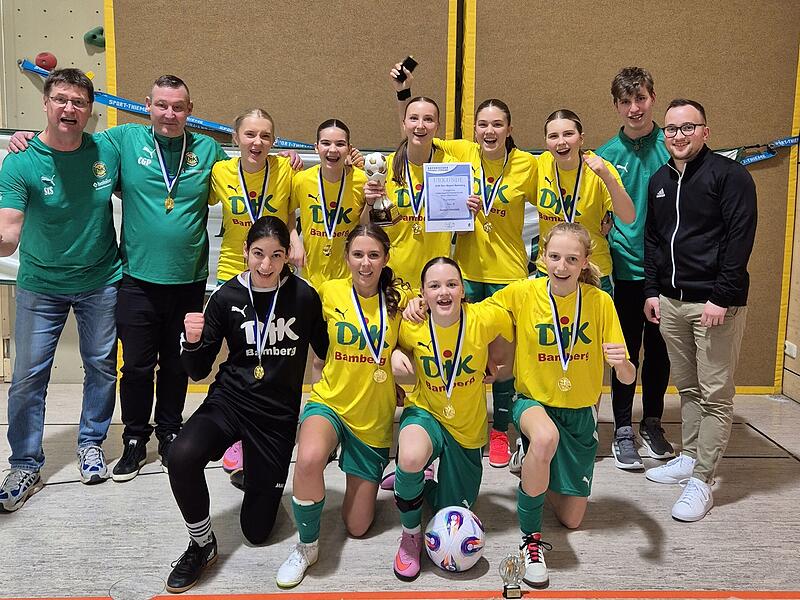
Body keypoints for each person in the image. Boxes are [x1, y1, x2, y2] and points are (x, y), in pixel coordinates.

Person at [163, 216, 327, 593]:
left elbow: (329, 350)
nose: (266, 265)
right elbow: (200, 369)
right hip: (231, 400)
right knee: (182, 455)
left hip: (275, 416)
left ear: (287, 256)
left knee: (256, 533)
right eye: (258, 254)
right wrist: (190, 341)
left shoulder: (304, 296)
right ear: (244, 253)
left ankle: (255, 472)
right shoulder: (225, 297)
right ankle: (201, 545)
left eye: (275, 255)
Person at [391, 63, 538, 469]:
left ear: (509, 128)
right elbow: (416, 135)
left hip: (510, 276)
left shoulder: (528, 164)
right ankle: (453, 425)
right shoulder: (462, 152)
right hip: (468, 274)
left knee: (504, 364)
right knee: (462, 358)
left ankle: (501, 432)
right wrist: (405, 93)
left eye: (497, 124)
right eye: (482, 125)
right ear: (473, 130)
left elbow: (560, 195)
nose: (489, 131)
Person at [486, 222, 634, 588]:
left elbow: (628, 378)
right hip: (533, 403)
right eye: (554, 257)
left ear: (585, 262)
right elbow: (474, 315)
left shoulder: (601, 302)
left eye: (571, 259)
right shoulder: (522, 293)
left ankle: (534, 465)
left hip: (580, 414)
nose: (561, 266)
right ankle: (531, 541)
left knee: (572, 520)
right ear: (543, 258)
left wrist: (622, 364)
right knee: (545, 438)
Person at [0, 68, 121, 511]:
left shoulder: (106, 149)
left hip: (101, 280)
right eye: (61, 100)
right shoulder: (21, 160)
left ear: (90, 111)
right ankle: (26, 465)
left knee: (102, 368)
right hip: (41, 285)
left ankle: (91, 445)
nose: (70, 109)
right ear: (46, 104)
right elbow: (9, 235)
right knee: (28, 378)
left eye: (79, 102)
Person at [275, 224, 408, 589]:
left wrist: (398, 352)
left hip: (373, 418)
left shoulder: (400, 301)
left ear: (386, 259)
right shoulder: (328, 292)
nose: (365, 263)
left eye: (374, 255)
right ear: (347, 257)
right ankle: (307, 546)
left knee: (358, 526)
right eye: (358, 254)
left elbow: (419, 340)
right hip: (331, 402)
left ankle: (389, 477)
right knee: (309, 457)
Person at [643, 99, 756, 522]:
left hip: (714, 305)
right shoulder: (660, 179)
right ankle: (690, 456)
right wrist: (653, 291)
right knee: (688, 389)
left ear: (705, 131)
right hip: (671, 303)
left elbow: (739, 241)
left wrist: (720, 298)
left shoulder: (731, 177)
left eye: (688, 127)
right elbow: (653, 241)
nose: (678, 135)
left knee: (716, 396)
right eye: (671, 129)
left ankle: (703, 480)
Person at [389, 257, 513, 580]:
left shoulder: (483, 318)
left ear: (462, 291)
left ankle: (414, 483)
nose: (443, 292)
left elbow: (515, 323)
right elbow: (389, 345)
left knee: (450, 511)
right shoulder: (412, 322)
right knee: (411, 455)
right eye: (434, 286)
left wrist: (496, 359)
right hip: (426, 412)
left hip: (465, 429)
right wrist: (398, 357)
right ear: (423, 293)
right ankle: (410, 534)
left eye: (451, 284)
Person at [206, 108, 297, 479]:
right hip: (234, 268)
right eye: (250, 135)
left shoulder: (288, 170)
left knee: (269, 352)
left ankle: (263, 429)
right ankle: (237, 433)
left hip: (274, 270)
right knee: (239, 354)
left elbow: (317, 191)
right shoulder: (219, 173)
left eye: (265, 136)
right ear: (235, 137)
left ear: (274, 141)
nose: (257, 142)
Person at [596, 67, 673, 470]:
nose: (634, 108)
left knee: (659, 353)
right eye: (626, 102)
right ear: (616, 106)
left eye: (640, 98)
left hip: (666, 273)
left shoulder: (672, 146)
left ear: (652, 98)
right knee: (623, 351)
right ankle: (623, 429)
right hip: (625, 269)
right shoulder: (606, 156)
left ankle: (654, 422)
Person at [535, 109, 636, 295]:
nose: (561, 142)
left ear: (581, 138)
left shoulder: (599, 168)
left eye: (568, 134)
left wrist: (607, 176)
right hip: (550, 270)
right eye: (553, 136)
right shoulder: (539, 165)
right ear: (546, 142)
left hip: (593, 270)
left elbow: (629, 217)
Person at [364, 96, 459, 289]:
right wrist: (368, 203)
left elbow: (462, 229)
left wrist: (469, 211)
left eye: (428, 119)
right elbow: (365, 227)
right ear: (404, 123)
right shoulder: (383, 168)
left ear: (437, 126)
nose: (420, 126)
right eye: (414, 118)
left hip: (435, 279)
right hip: (391, 276)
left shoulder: (451, 168)